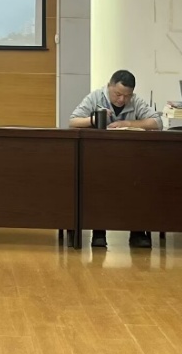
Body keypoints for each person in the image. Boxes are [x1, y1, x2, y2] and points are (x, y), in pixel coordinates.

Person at [69, 70, 162, 249]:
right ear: (109, 86)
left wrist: (128, 123)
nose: (121, 100)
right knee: (98, 184)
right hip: (100, 159)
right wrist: (93, 119)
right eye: (117, 94)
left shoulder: (135, 101)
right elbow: (73, 121)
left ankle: (137, 232)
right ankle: (99, 232)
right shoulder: (95, 97)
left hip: (130, 160)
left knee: (139, 184)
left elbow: (157, 122)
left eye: (126, 96)